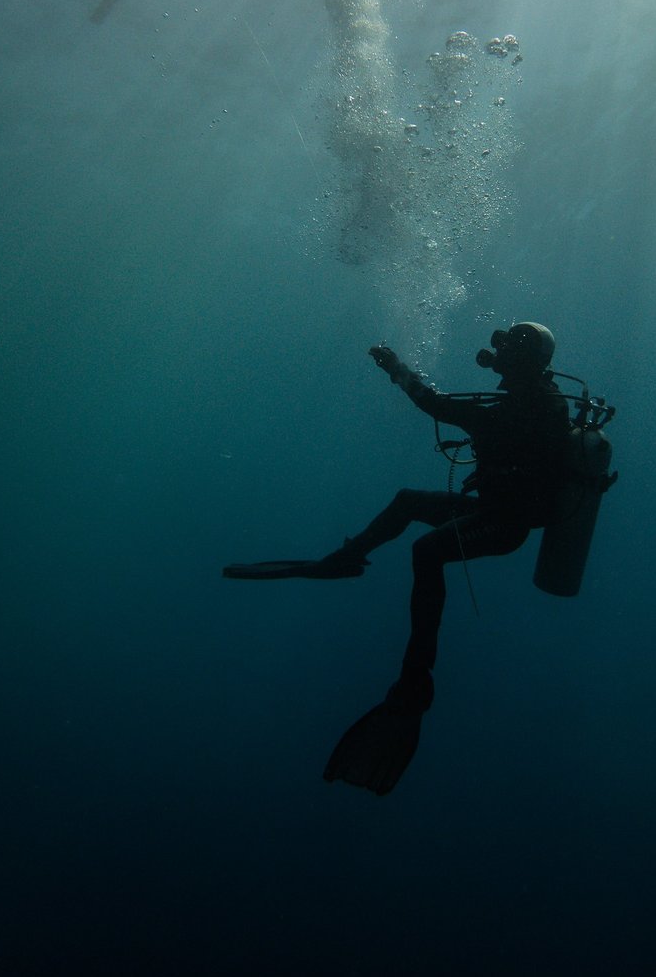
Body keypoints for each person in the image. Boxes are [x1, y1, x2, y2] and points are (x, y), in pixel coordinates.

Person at [226, 322, 574, 795]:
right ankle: (345, 560)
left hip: (506, 524)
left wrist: (394, 367)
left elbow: (437, 405)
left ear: (522, 361)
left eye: (507, 352)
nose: (497, 358)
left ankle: (415, 680)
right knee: (409, 500)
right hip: (495, 510)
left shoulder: (527, 409)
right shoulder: (535, 401)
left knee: (427, 550)